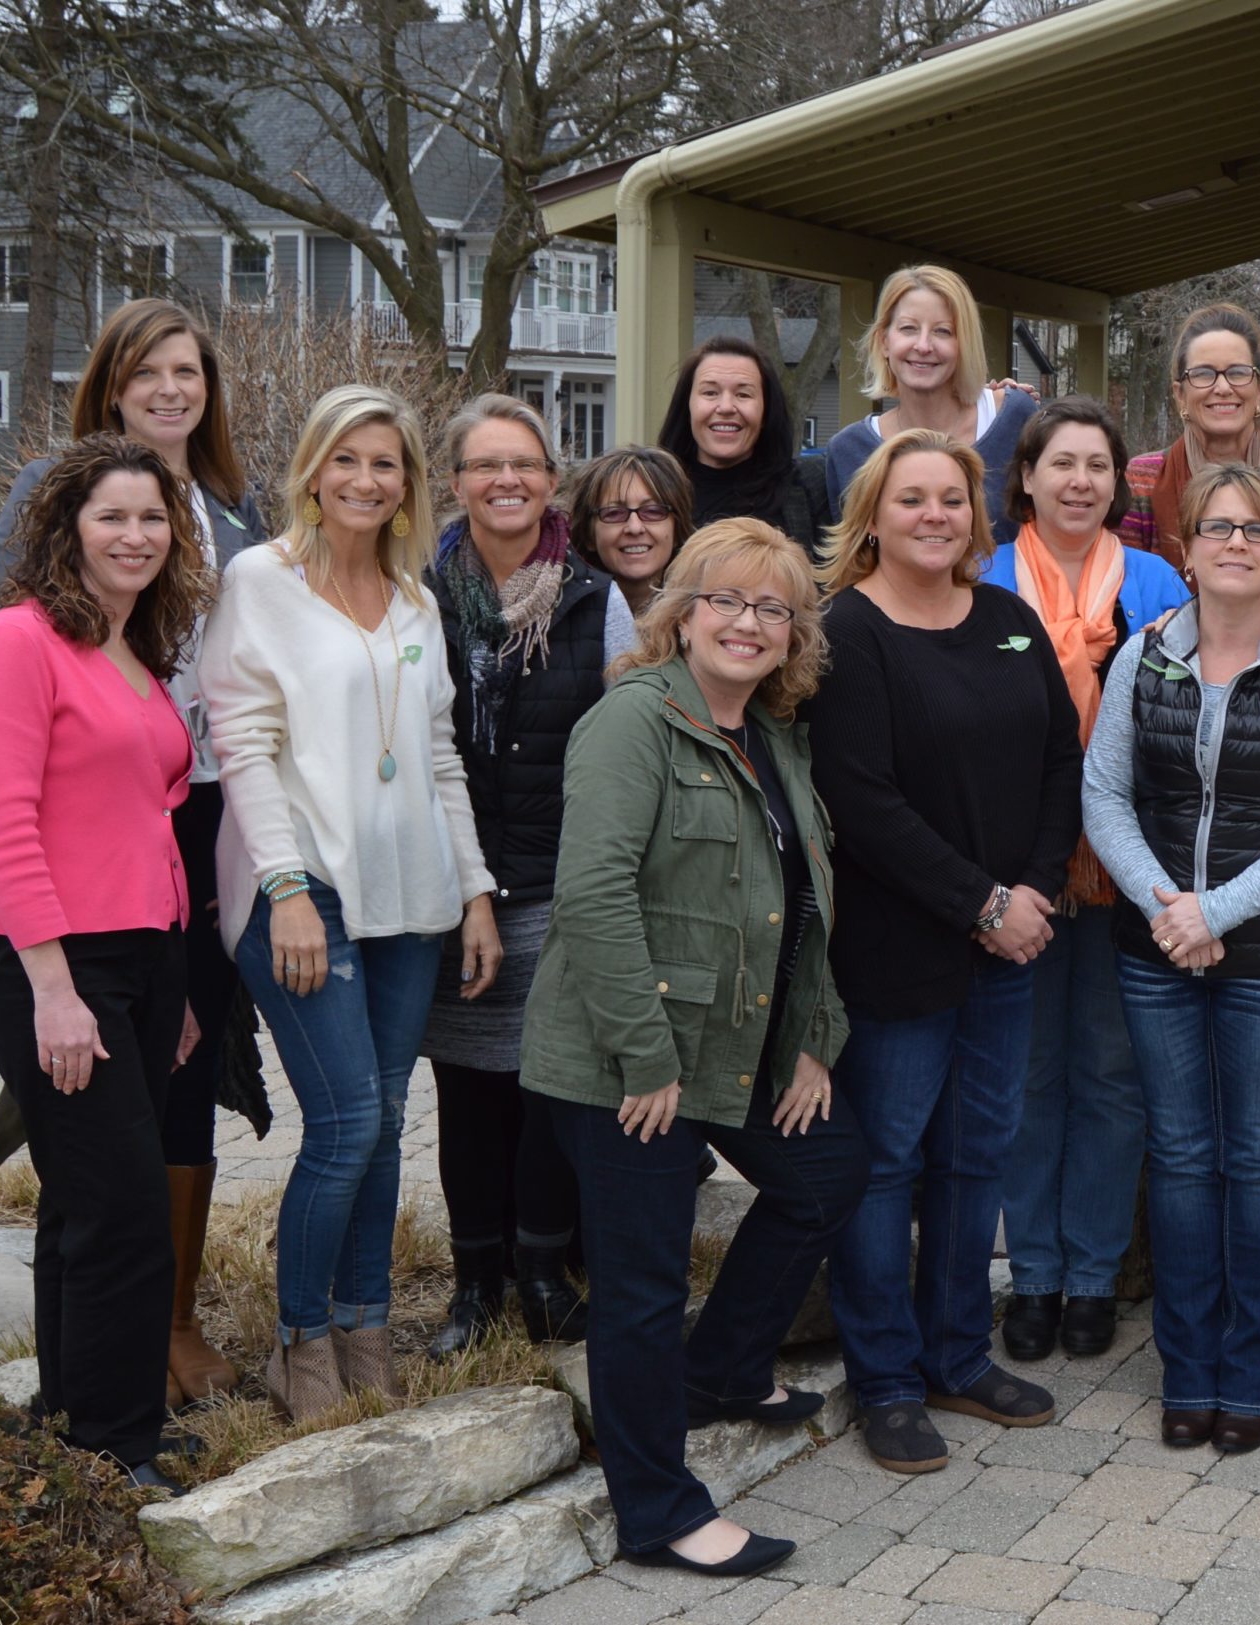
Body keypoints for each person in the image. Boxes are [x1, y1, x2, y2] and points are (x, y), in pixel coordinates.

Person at [520, 520, 862, 1577]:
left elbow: (799, 902)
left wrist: (810, 1040)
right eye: (727, 600)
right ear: (682, 609)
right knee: (641, 1279)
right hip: (626, 1060)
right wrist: (646, 1056)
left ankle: (719, 1369)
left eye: (774, 609)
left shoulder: (774, 734)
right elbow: (591, 892)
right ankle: (659, 1509)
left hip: (739, 1043)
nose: (748, 624)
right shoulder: (635, 722)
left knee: (828, 1169)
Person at [201, 385, 501, 1423]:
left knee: (380, 1124)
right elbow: (239, 744)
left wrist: (472, 892)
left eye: (388, 464)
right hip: (306, 890)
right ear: (314, 471)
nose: (367, 480)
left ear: (408, 483)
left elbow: (439, 760)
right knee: (346, 1122)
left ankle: (365, 1325)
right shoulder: (260, 580)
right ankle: (300, 1340)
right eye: (349, 460)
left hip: (411, 899)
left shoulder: (418, 602)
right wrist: (283, 886)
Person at [0, 298, 264, 1409]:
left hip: (181, 844)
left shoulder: (225, 531)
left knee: (173, 1087)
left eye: (187, 371)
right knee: (105, 1186)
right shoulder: (43, 584)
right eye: (146, 370)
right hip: (64, 881)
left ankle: (141, 1352)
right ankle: (110, 1406)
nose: (169, 388)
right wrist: (48, 973)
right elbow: (13, 780)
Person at [806, 429, 1084, 1472]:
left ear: (978, 514)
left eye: (952, 498)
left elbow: (1062, 755)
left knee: (975, 1158)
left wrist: (1037, 888)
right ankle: (885, 1378)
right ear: (871, 513)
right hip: (897, 954)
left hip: (1009, 946)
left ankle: (957, 1354)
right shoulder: (850, 631)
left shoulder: (1008, 619)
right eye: (911, 497)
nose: (934, 515)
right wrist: (980, 902)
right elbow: (862, 803)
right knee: (883, 1166)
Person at [1081, 460, 1260, 1452]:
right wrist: (1168, 909)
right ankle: (1186, 1364)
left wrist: (1216, 910)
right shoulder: (1142, 656)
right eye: (1217, 527)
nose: (1235, 543)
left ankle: (1252, 1370)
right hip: (1155, 947)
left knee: (1254, 1156)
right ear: (1187, 548)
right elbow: (1104, 793)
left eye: (1256, 529)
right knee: (1180, 1156)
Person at [0, 435, 210, 1493]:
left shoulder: (131, 648)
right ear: (66, 527)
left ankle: (75, 1411)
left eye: (152, 517)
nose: (135, 535)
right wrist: (56, 988)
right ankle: (118, 1442)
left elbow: (146, 823)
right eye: (112, 516)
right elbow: (4, 830)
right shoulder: (20, 643)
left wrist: (178, 978)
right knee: (120, 1209)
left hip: (143, 961)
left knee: (78, 1204)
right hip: (54, 962)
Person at [420, 395, 634, 1359]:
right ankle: (476, 1284)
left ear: (553, 481)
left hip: (562, 883)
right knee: (468, 1093)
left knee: (553, 1090)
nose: (507, 480)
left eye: (527, 464)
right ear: (455, 481)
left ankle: (544, 1275)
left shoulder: (596, 599)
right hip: (455, 885)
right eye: (485, 464)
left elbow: (630, 745)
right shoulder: (415, 597)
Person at [980, 398, 1191, 1363]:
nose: (1078, 482)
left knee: (1110, 1076)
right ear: (1024, 476)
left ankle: (1095, 1276)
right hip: (1014, 876)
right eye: (1060, 463)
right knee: (1028, 1079)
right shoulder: (981, 581)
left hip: (1123, 873)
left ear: (1119, 483)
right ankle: (1036, 1276)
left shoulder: (1154, 583)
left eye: (1097, 467)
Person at [1121, 303, 1260, 623]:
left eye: (1238, 373)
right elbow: (1125, 606)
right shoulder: (1141, 481)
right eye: (1203, 374)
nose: (1223, 388)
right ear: (1180, 394)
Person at [823, 267, 1037, 546]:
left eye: (942, 331)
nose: (923, 345)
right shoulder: (849, 450)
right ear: (885, 341)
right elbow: (851, 560)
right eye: (908, 328)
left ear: (964, 344)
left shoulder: (1014, 418)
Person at [656, 336, 829, 548]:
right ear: (687, 407)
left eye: (743, 394)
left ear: (766, 411)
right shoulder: (655, 495)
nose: (726, 407)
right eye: (710, 392)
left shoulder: (811, 489)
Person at [570, 445, 695, 614]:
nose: (635, 528)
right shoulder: (561, 615)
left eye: (652, 511)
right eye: (614, 513)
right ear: (589, 535)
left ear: (677, 528)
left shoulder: (703, 613)